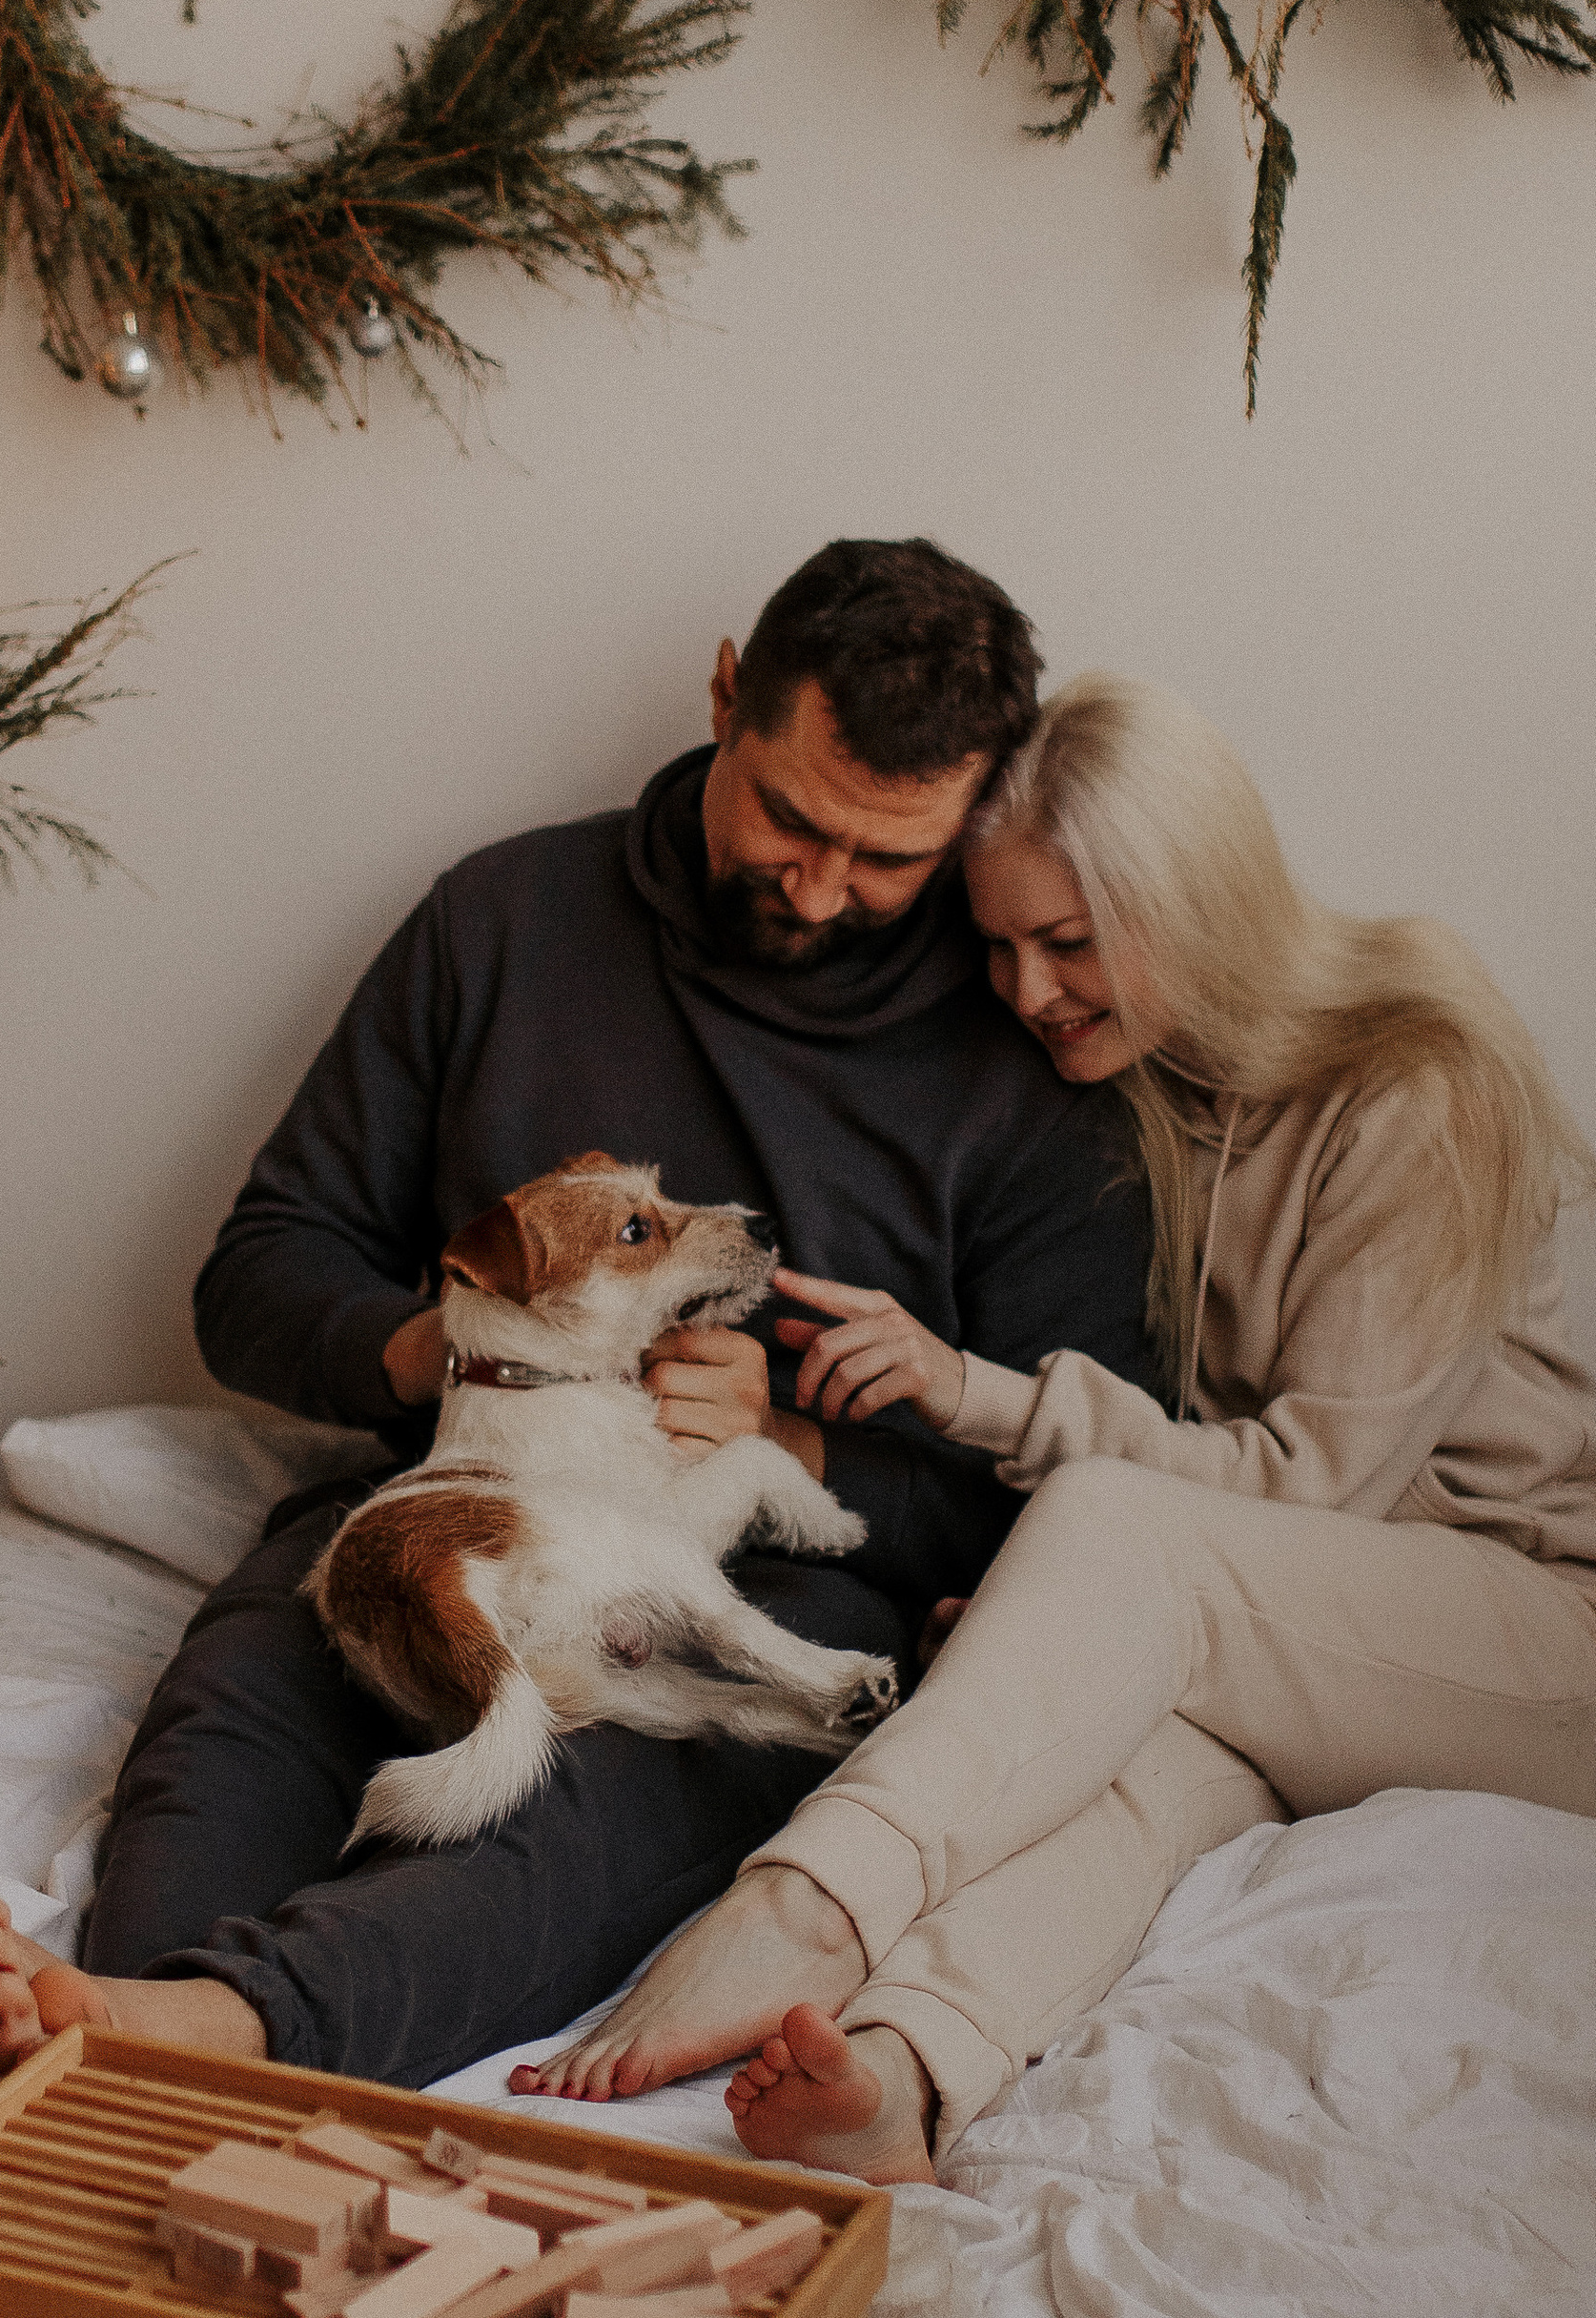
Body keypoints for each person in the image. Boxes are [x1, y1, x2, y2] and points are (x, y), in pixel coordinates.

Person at [0, 544, 1172, 2100]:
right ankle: (115, 2024)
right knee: (255, 1682)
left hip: (767, 1568)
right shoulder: (505, 923)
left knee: (627, 1787)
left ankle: (218, 2035)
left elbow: (1092, 1498)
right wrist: (455, 1356)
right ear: (723, 699)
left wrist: (801, 1437)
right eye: (792, 819)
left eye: (889, 861)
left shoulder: (1023, 1054)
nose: (825, 890)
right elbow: (260, 1272)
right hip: (455, 1492)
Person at [512, 671, 1596, 2180]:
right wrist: (1056, 1624)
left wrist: (974, 1394)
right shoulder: (1153, 1093)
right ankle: (898, 2078)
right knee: (1134, 1785)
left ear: (1198, 904)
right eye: (1004, 945)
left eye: (1068, 943)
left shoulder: (1414, 1077)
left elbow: (1316, 1492)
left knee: (1114, 1534)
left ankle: (803, 1908)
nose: (1027, 992)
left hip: (1537, 1637)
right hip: (1333, 1643)